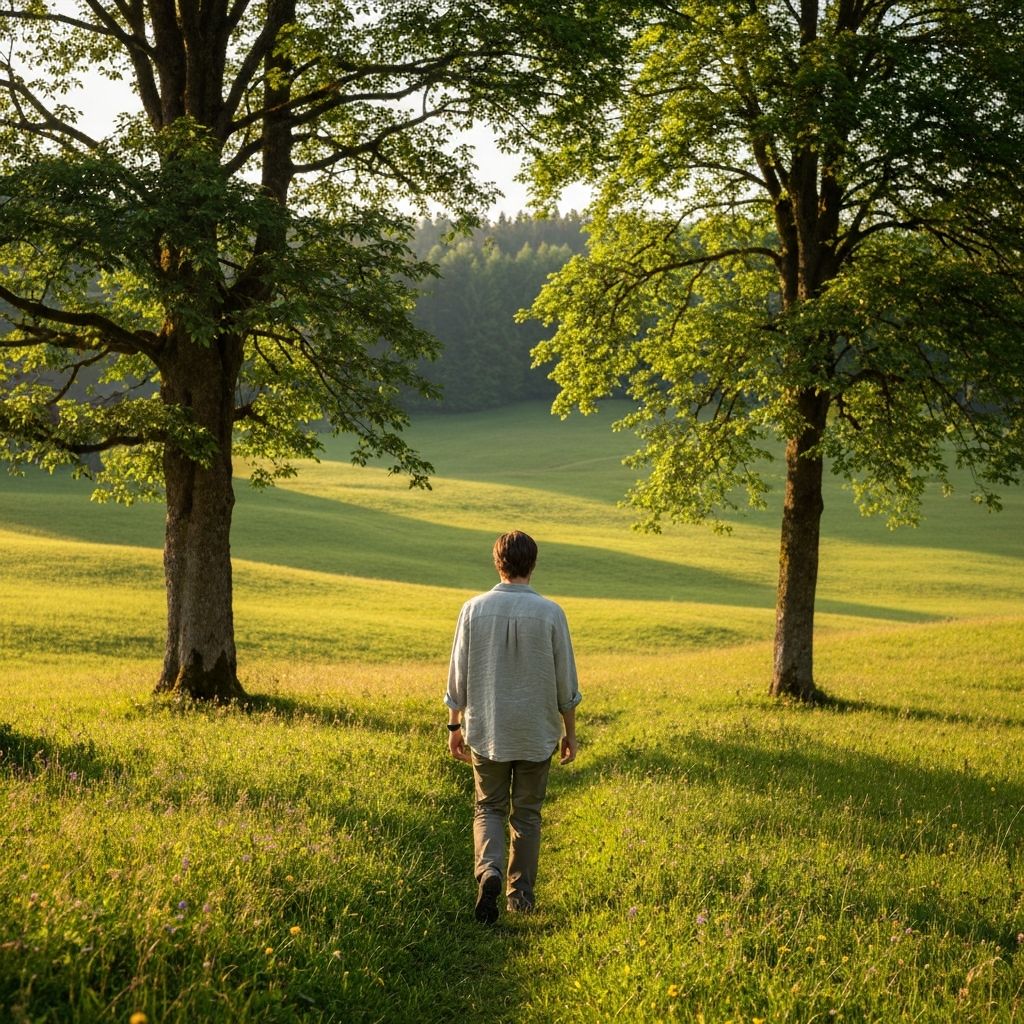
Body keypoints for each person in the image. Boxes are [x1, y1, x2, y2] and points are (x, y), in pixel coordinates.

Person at [444, 530, 582, 924]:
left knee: (488, 806)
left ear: (497, 562)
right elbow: (565, 681)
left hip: (488, 728)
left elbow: (458, 676)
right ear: (532, 564)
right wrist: (569, 732)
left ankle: (488, 869)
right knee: (527, 815)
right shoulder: (552, 612)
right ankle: (519, 897)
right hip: (537, 731)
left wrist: (454, 725)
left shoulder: (472, 609)